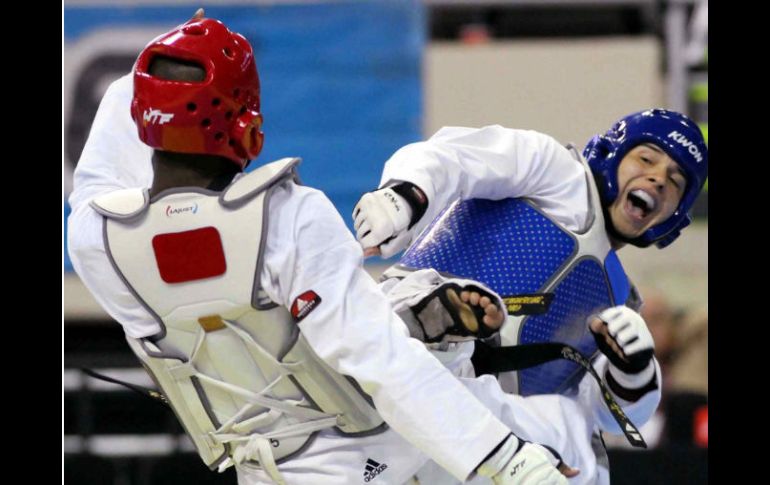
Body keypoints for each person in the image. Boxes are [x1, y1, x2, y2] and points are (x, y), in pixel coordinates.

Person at [66, 13, 575, 485]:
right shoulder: (285, 217)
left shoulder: (97, 241)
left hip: (269, 473)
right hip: (374, 458)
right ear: (247, 125)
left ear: (142, 118)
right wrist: (513, 461)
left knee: (424, 326)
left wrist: (154, 81)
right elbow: (382, 359)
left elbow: (102, 162)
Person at [352, 109, 708, 481]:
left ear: (675, 215)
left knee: (583, 453)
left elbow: (609, 418)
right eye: (646, 159)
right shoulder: (554, 173)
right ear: (610, 155)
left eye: (676, 181)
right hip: (406, 349)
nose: (657, 179)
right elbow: (452, 156)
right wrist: (405, 194)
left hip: (473, 417)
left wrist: (634, 372)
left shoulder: (620, 301)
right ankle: (436, 315)